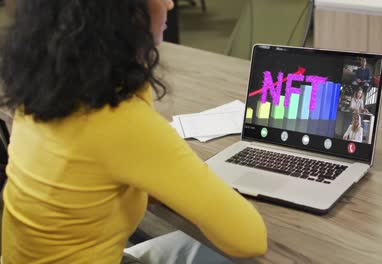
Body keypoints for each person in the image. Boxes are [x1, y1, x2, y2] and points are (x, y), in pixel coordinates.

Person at [0, 0, 267, 263]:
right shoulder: (118, 122)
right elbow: (250, 239)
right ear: (121, 12)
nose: (170, 5)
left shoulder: (42, 95)